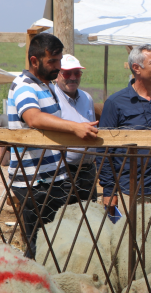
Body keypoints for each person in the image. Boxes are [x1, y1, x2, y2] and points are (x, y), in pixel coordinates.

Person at [7, 32, 99, 258]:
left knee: (55, 243)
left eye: (59, 61)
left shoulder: (44, 86)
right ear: (34, 61)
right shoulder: (24, 86)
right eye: (52, 62)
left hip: (52, 177)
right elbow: (33, 117)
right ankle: (34, 289)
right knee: (39, 246)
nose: (57, 67)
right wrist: (75, 127)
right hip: (34, 180)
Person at [97, 44, 151, 213]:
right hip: (128, 191)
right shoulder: (116, 103)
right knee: (128, 237)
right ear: (137, 68)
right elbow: (103, 150)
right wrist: (109, 191)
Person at [54, 54, 97, 203]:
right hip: (64, 171)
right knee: (65, 218)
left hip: (88, 171)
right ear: (57, 75)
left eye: (77, 73)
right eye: (67, 73)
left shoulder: (87, 98)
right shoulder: (51, 98)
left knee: (89, 216)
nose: (72, 77)